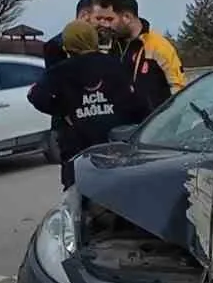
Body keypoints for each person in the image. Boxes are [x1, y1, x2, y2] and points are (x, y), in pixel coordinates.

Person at [28, 20, 149, 188]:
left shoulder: (61, 71)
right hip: (114, 148)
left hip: (77, 153)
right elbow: (137, 102)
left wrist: (63, 110)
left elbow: (35, 95)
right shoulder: (114, 64)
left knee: (77, 196)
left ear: (68, 44)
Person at [94, 0, 185, 111]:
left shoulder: (158, 46)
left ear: (127, 17)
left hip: (155, 120)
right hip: (123, 120)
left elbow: (179, 90)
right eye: (102, 19)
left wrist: (168, 119)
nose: (106, 25)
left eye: (110, 19)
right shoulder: (113, 47)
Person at [41, 0, 101, 70]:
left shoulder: (99, 41)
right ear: (84, 15)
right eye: (98, 18)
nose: (102, 23)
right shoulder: (55, 46)